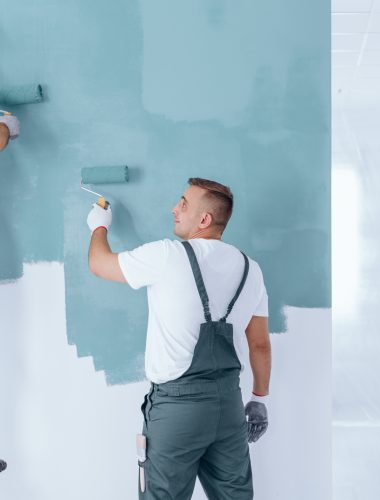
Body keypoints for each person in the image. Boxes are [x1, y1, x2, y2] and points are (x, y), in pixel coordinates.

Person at [87, 177, 271, 500]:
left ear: (204, 219)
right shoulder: (250, 269)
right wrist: (259, 400)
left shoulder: (166, 256)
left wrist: (98, 226)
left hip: (176, 414)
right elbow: (259, 344)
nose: (174, 209)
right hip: (228, 409)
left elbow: (99, 264)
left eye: (183, 204)